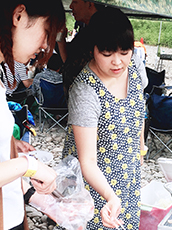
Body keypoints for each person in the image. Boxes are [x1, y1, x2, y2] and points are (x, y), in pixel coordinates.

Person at [61, 8, 146, 229]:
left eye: (125, 52)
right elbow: (87, 161)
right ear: (93, 49)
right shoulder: (85, 91)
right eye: (107, 54)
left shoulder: (134, 69)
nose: (118, 62)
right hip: (93, 185)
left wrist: (141, 149)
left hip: (128, 176)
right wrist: (110, 195)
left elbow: (138, 111)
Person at [0, 0, 65, 229]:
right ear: (18, 16)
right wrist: (31, 166)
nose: (46, 46)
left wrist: (11, 146)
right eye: (47, 32)